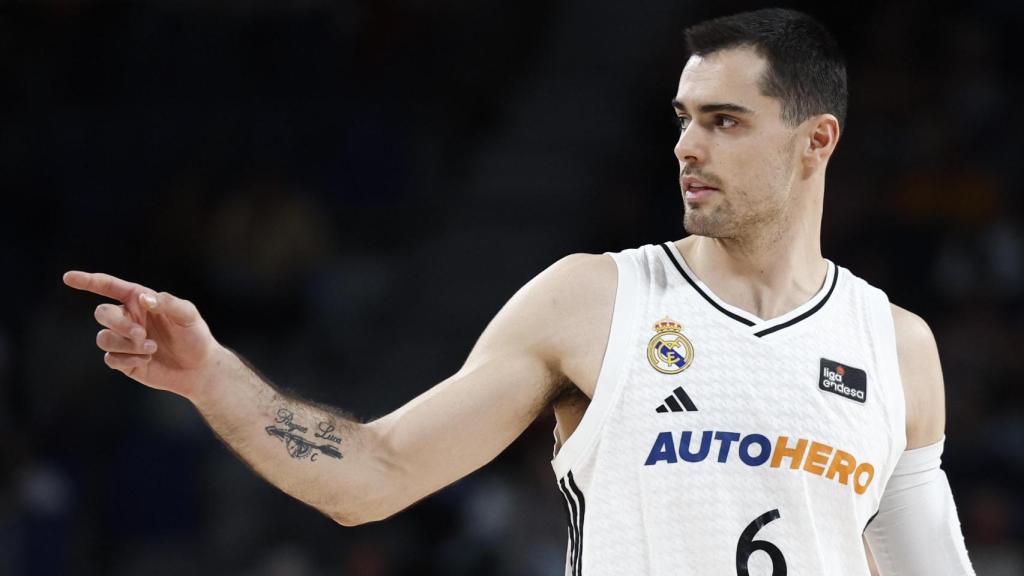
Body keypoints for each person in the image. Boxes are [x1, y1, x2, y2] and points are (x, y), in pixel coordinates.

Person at [64, 8, 974, 575]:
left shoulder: (897, 347)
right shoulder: (595, 300)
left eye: (725, 121)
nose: (687, 147)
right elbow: (374, 476)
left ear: (816, 142)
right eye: (683, 120)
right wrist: (213, 375)